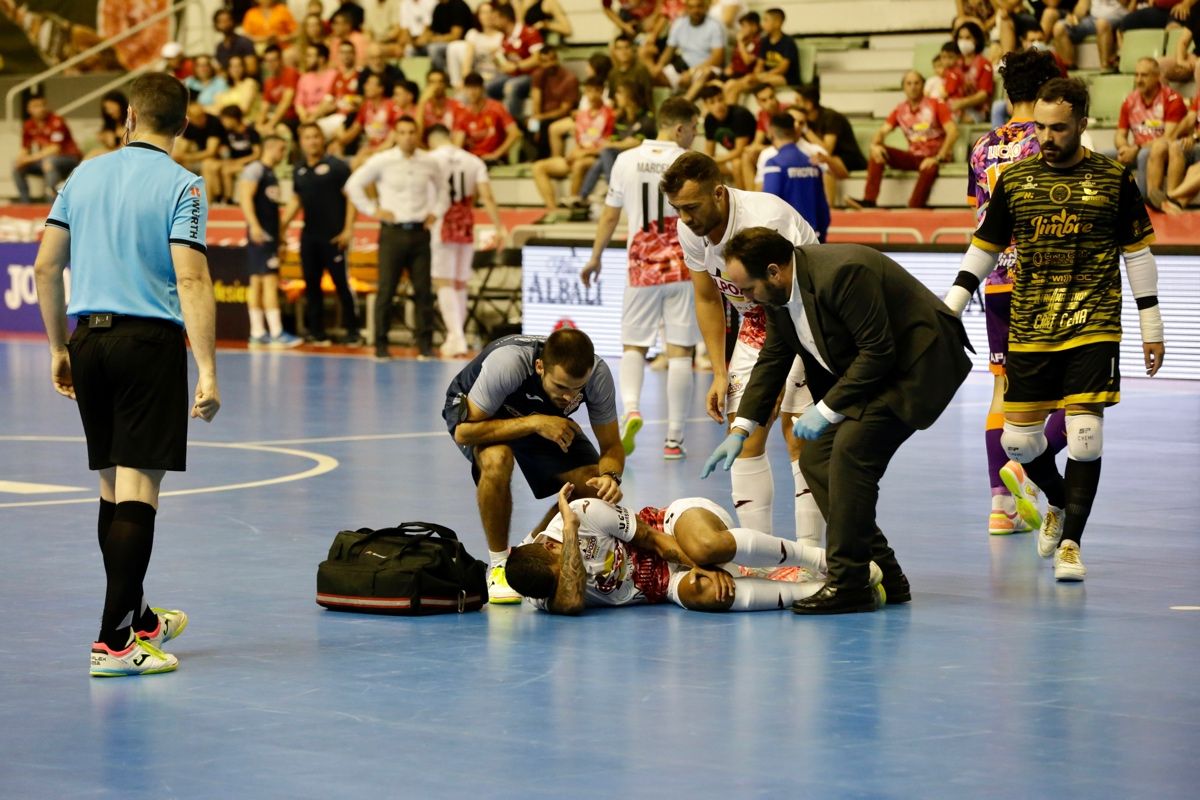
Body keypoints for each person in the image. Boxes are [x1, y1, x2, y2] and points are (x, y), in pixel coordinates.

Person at [32, 71, 220, 676]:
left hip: (90, 340)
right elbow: (190, 277)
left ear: (129, 119)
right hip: (148, 343)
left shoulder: (82, 174)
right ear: (184, 126)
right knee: (139, 489)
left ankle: (136, 619)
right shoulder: (184, 184)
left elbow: (44, 267)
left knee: (113, 488)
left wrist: (60, 346)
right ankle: (115, 644)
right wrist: (208, 369)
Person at [945, 77, 1164, 581]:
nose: (1046, 136)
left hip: (1094, 323)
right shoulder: (1016, 181)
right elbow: (985, 246)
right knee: (1019, 443)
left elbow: (1137, 253)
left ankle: (1071, 544)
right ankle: (1060, 502)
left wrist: (1151, 323)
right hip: (1031, 325)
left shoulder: (1113, 179)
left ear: (1083, 125)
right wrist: (951, 305)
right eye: (1040, 126)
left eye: (1058, 128)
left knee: (1085, 435)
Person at [704, 228, 972, 613]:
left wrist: (825, 409)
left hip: (918, 366)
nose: (745, 299)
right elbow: (773, 360)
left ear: (774, 271)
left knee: (850, 453)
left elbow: (878, 352)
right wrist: (742, 427)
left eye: (747, 290)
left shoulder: (843, 273)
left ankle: (849, 583)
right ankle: (886, 574)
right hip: (876, 372)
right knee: (816, 458)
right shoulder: (778, 297)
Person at [661, 151, 824, 546]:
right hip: (754, 325)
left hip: (804, 317)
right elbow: (706, 298)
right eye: (677, 209)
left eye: (692, 207)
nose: (685, 218)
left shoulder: (765, 220)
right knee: (744, 434)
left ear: (718, 193)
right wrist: (719, 371)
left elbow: (796, 297)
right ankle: (759, 552)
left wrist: (779, 378)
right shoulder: (691, 229)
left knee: (797, 433)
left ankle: (811, 557)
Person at [964, 47, 1068, 535]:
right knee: (1074, 390)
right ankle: (1025, 471)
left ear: (1007, 91)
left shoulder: (982, 146)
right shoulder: (1049, 141)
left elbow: (978, 214)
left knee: (1002, 389)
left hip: (996, 279)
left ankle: (1000, 508)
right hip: (1045, 277)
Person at [442, 329, 625, 602]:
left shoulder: (597, 375)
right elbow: (465, 432)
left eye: (577, 389)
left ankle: (529, 549)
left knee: (592, 485)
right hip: (482, 416)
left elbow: (611, 446)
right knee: (497, 461)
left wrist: (611, 476)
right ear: (540, 367)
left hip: (541, 418)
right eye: (561, 387)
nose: (569, 397)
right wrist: (535, 422)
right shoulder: (509, 363)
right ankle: (500, 566)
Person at [507, 484, 875, 613]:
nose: (564, 583)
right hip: (659, 586)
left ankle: (823, 560)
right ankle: (826, 590)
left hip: (671, 530)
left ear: (550, 550)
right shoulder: (538, 588)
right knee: (710, 594)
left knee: (706, 548)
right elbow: (569, 601)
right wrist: (569, 537)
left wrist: (700, 562)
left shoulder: (585, 513)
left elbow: (654, 541)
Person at [582, 97, 702, 460]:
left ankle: (631, 410)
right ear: (679, 128)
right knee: (680, 351)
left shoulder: (626, 159)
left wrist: (596, 256)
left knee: (634, 345)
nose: (695, 135)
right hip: (682, 265)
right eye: (694, 128)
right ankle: (674, 440)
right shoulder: (688, 163)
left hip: (641, 265)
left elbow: (609, 216)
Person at [345, 116, 448, 360]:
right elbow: (353, 185)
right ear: (395, 134)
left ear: (418, 133)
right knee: (386, 290)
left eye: (412, 132)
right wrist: (372, 210)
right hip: (392, 232)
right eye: (402, 132)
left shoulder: (429, 162)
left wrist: (436, 212)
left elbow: (444, 189)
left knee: (424, 291)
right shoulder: (383, 160)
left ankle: (425, 344)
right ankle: (380, 344)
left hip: (420, 233)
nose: (407, 137)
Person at [426, 124, 507, 358]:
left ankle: (457, 336)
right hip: (465, 220)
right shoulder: (473, 161)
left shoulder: (430, 159)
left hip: (442, 220)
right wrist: (499, 226)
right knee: (460, 282)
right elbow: (487, 196)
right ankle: (456, 335)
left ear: (432, 140)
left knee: (444, 281)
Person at [280, 123, 362, 347]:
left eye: (316, 137)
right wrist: (282, 226)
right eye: (307, 137)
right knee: (311, 285)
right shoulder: (299, 169)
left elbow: (351, 197)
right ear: (301, 142)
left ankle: (353, 332)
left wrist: (348, 229)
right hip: (309, 237)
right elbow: (297, 200)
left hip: (335, 237)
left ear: (322, 140)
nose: (312, 141)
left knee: (342, 284)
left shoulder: (337, 167)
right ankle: (317, 333)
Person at [849, 71, 958, 210]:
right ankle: (869, 201)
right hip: (913, 156)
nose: (913, 87)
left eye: (917, 83)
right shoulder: (900, 110)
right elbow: (882, 131)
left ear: (923, 86)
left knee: (929, 168)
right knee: (878, 152)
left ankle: (913, 207)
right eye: (909, 83)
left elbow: (953, 132)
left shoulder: (936, 104)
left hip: (935, 157)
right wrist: (874, 145)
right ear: (904, 88)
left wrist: (937, 158)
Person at [239, 135, 301, 348]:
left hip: (269, 234)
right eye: (281, 149)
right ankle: (276, 332)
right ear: (271, 147)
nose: (283, 154)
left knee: (257, 282)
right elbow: (245, 197)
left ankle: (257, 331)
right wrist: (254, 225)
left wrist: (281, 230)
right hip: (261, 234)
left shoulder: (272, 173)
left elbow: (289, 202)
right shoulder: (255, 169)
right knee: (269, 282)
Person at [1113, 57, 1186, 204]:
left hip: (1164, 149)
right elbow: (1120, 134)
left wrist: (1136, 148)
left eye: (1144, 75)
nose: (1139, 79)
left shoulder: (1172, 99)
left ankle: (1143, 204)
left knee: (1144, 154)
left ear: (1157, 77)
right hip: (1135, 148)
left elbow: (1169, 137)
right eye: (1137, 74)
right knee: (1102, 157)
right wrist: (1123, 147)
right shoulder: (1129, 101)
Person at [792, 83, 867, 208]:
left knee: (826, 165)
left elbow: (827, 150)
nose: (794, 104)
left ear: (809, 104)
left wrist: (805, 130)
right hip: (823, 157)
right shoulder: (803, 120)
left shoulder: (831, 117)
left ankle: (829, 210)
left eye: (797, 101)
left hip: (849, 159)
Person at [760, 114, 831, 243]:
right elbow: (823, 209)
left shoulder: (774, 163)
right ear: (794, 132)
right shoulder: (812, 163)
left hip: (786, 239)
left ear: (770, 132)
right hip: (815, 238)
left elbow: (768, 203)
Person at [13, 93, 81, 204]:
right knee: (16, 165)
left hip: (69, 158)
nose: (41, 109)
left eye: (42, 105)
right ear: (29, 109)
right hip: (47, 160)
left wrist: (29, 159)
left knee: (49, 162)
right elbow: (25, 148)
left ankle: (52, 204)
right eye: (36, 106)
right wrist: (20, 159)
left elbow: (55, 148)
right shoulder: (28, 125)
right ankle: (24, 203)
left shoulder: (56, 121)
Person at [652, 0, 726, 94]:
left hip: (707, 67)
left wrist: (692, 72)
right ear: (686, 8)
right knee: (653, 77)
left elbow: (718, 58)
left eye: (699, 6)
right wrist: (659, 67)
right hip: (683, 65)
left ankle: (686, 101)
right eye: (691, 7)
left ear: (705, 7)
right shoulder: (679, 23)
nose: (695, 10)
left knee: (702, 75)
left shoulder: (714, 26)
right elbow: (669, 50)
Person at [487, 3, 544, 122]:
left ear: (505, 18)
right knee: (488, 87)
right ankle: (492, 122)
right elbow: (505, 64)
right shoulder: (505, 38)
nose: (492, 22)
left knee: (511, 86)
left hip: (530, 75)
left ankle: (511, 124)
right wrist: (497, 60)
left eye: (494, 18)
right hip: (512, 75)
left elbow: (538, 59)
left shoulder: (529, 32)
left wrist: (516, 66)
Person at [455, 72, 522, 164]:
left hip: (494, 159)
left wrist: (496, 154)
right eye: (469, 88)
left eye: (475, 87)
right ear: (465, 90)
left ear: (482, 89)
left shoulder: (496, 107)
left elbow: (515, 133)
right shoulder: (463, 114)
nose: (472, 92)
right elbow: (458, 144)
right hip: (473, 161)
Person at [698, 85, 755, 189]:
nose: (718, 105)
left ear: (725, 98)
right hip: (733, 157)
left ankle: (741, 201)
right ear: (706, 105)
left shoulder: (740, 115)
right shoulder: (709, 120)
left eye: (720, 99)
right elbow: (709, 151)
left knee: (736, 164)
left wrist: (714, 159)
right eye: (712, 102)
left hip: (749, 155)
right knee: (704, 167)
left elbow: (739, 151)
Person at [214, 6, 256, 70]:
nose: (225, 24)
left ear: (233, 21)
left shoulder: (244, 42)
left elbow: (252, 69)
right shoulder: (220, 47)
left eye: (227, 20)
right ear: (217, 25)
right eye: (221, 21)